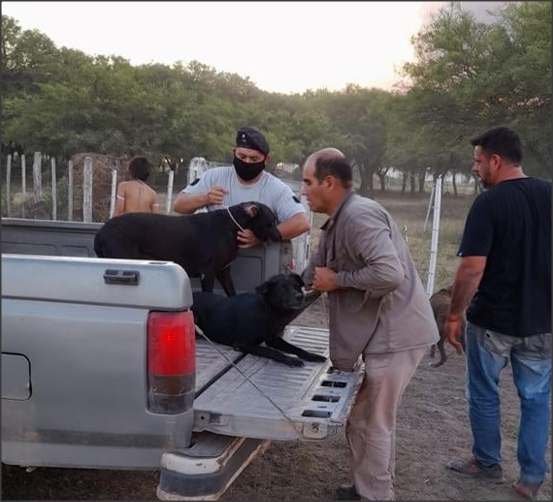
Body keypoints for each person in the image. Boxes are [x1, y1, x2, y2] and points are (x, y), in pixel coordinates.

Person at [301, 148, 439, 501]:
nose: (303, 191)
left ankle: (375, 496)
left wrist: (339, 280)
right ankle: (369, 488)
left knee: (373, 421)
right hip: (384, 330)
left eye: (307, 182)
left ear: (329, 183)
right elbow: (314, 271)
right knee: (365, 420)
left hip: (397, 332)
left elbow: (389, 273)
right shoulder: (336, 221)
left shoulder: (359, 217)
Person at [444, 127, 551, 500]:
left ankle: (487, 462)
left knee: (485, 393)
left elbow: (472, 267)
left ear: (495, 160)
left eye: (477, 161)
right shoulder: (549, 193)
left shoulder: (489, 203)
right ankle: (531, 479)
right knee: (537, 399)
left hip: (493, 322)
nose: (474, 169)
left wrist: (454, 315)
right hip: (543, 322)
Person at [173, 127, 310, 248]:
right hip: (215, 259)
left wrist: (262, 237)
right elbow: (179, 205)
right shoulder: (213, 177)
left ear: (266, 159)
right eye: (242, 156)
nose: (247, 162)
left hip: (259, 264)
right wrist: (205, 198)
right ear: (234, 153)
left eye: (254, 159)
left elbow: (301, 223)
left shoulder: (277, 188)